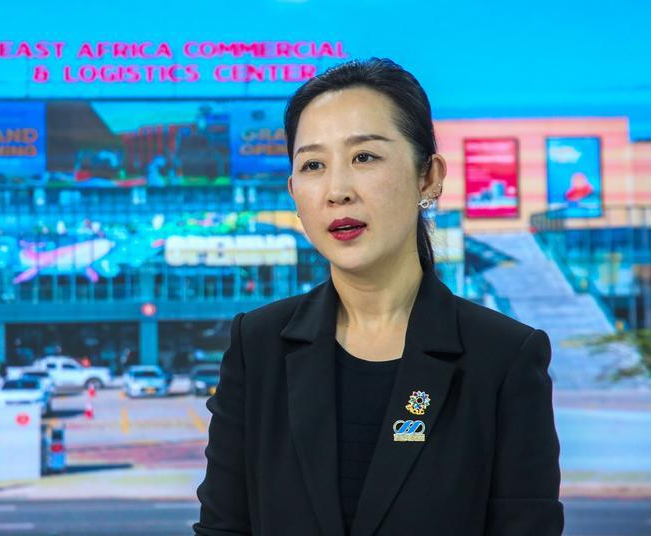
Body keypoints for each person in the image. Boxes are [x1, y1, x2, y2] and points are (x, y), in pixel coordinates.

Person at [193, 58, 563, 535]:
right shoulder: (258, 346)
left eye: (364, 157)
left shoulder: (504, 357)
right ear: (294, 192)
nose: (336, 191)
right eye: (313, 165)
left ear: (428, 177)